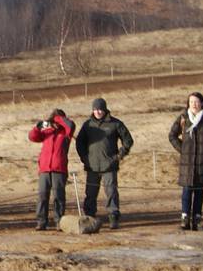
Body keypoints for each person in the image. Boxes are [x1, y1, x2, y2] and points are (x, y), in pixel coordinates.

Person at [75, 98, 133, 229]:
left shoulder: (115, 124)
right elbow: (79, 143)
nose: (98, 112)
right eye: (95, 109)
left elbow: (128, 140)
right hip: (92, 166)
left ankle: (113, 217)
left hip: (109, 166)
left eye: (100, 109)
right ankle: (89, 217)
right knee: (90, 192)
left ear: (105, 109)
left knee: (111, 192)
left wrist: (119, 156)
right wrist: (84, 158)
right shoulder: (87, 125)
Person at [168, 93, 203, 231]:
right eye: (191, 102)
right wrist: (183, 149)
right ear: (188, 104)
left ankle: (196, 219)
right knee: (186, 191)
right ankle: (185, 219)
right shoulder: (183, 118)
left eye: (197, 102)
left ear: (202, 103)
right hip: (187, 162)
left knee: (199, 192)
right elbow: (172, 135)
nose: (194, 104)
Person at [28, 108, 74, 229]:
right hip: (45, 168)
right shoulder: (47, 132)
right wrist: (38, 127)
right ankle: (41, 221)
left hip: (59, 168)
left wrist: (56, 118)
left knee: (58, 196)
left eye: (58, 119)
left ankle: (59, 222)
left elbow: (70, 125)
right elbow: (32, 137)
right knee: (42, 196)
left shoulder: (66, 133)